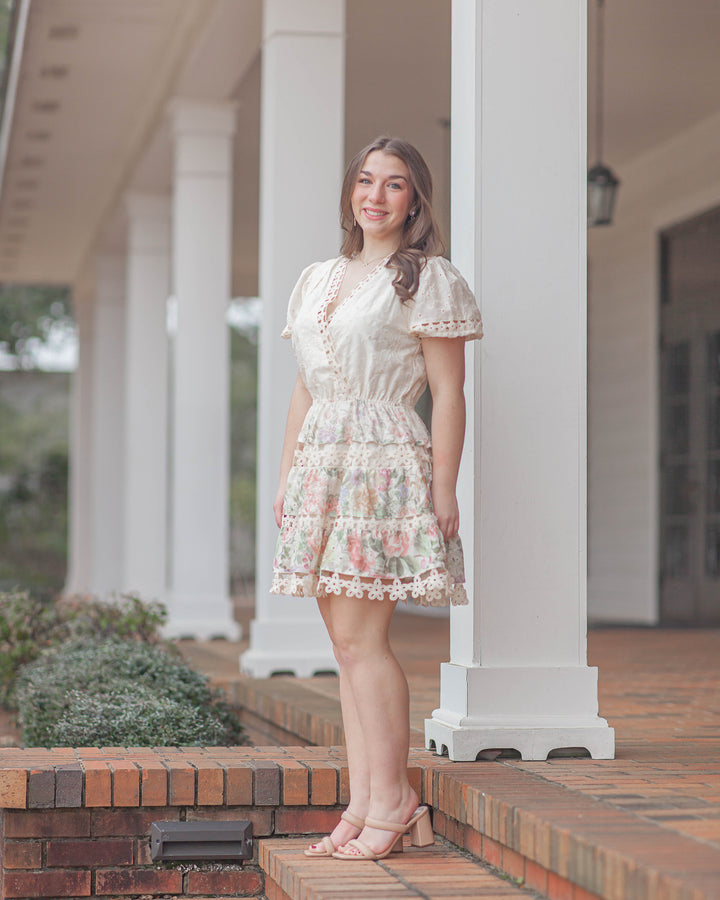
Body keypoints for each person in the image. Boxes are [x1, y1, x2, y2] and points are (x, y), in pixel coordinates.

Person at [271, 136, 483, 861]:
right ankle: (365, 800)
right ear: (351, 191)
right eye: (366, 181)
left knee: (365, 641)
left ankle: (393, 800)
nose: (376, 195)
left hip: (383, 463)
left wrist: (444, 485)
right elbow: (306, 382)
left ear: (415, 200)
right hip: (323, 465)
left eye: (394, 185)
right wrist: (286, 476)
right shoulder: (317, 278)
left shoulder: (427, 277)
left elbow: (449, 392)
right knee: (344, 645)